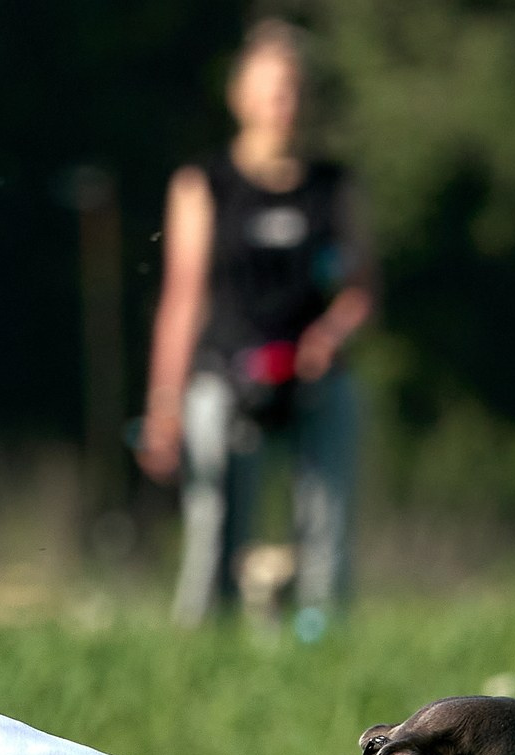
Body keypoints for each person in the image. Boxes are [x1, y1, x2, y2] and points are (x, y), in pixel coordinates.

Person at [139, 21, 375, 636]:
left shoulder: (335, 186)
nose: (281, 103)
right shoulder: (205, 184)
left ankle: (322, 634)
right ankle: (201, 638)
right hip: (226, 371)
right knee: (214, 519)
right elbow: (182, 297)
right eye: (269, 89)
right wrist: (165, 404)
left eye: (292, 89)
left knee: (325, 523)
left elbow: (361, 292)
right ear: (240, 96)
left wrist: (330, 336)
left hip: (313, 376)